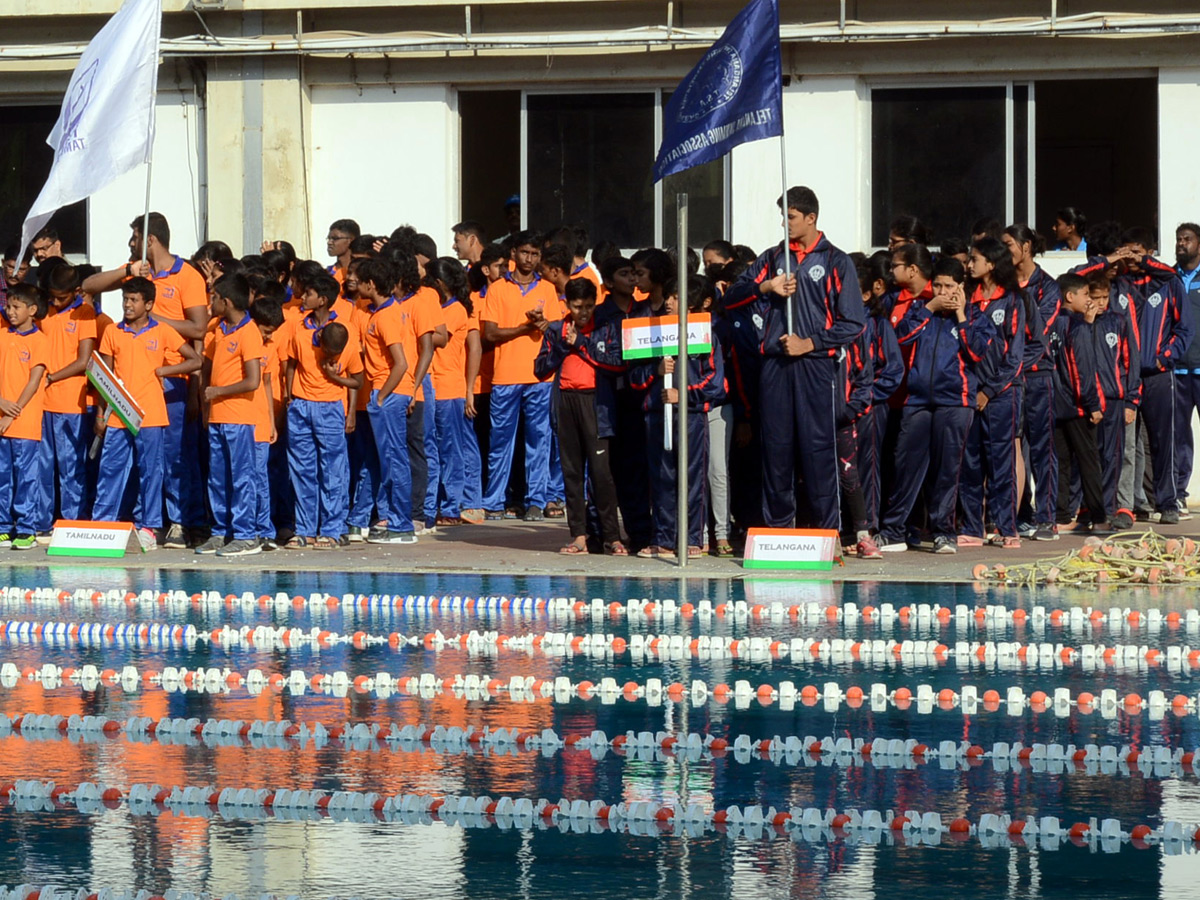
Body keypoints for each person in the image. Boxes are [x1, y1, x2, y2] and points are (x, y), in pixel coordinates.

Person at [723, 186, 865, 530]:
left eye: (791, 217)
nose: (785, 223)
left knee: (817, 449)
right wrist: (766, 287)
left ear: (811, 218)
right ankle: (778, 531)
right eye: (783, 216)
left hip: (816, 368)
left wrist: (810, 343)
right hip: (774, 365)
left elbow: (854, 323)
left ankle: (827, 531)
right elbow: (731, 299)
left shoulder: (835, 260)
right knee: (776, 451)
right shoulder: (772, 258)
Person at [82, 212, 209, 548]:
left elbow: (198, 328)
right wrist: (128, 272)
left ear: (149, 239)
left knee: (170, 458)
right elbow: (88, 287)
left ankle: (176, 521)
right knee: (118, 461)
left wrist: (155, 320)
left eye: (135, 238)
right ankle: (117, 523)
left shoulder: (188, 276)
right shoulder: (133, 278)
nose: (131, 244)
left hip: (170, 385)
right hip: (127, 388)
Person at [1075, 230, 1192, 524]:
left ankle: (1167, 502)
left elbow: (1184, 331)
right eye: (1127, 253)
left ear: (1150, 253)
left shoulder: (1166, 283)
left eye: (1137, 253)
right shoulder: (1118, 286)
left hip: (1156, 375)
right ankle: (1126, 505)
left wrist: (1163, 358)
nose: (1132, 258)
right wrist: (1113, 258)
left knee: (1162, 442)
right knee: (1124, 445)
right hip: (1123, 378)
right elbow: (1076, 273)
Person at [878, 257, 994, 554]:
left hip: (956, 400)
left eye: (950, 286)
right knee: (906, 465)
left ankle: (944, 532)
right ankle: (894, 530)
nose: (943, 292)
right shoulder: (922, 309)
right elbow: (899, 337)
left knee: (947, 469)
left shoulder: (977, 316)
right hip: (917, 399)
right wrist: (929, 309)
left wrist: (961, 317)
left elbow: (979, 355)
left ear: (962, 287)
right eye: (938, 286)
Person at [93, 277, 201, 551]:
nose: (127, 305)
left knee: (151, 471)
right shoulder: (113, 332)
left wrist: (165, 371)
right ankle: (103, 523)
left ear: (149, 304)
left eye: (133, 300)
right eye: (125, 300)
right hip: (119, 413)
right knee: (110, 469)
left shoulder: (163, 331)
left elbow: (195, 359)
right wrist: (101, 412)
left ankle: (149, 526)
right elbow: (104, 377)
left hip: (150, 414)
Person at [631, 275, 726, 558]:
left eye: (676, 298)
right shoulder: (649, 331)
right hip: (656, 416)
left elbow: (715, 384)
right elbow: (633, 378)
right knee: (661, 478)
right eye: (669, 297)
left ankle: (692, 538)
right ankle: (663, 538)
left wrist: (682, 396)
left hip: (692, 417)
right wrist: (655, 372)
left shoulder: (705, 334)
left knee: (692, 477)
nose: (670, 303)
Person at [533, 277, 626, 555]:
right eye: (577, 306)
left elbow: (617, 363)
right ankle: (579, 536)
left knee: (601, 474)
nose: (583, 312)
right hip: (566, 402)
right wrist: (564, 344)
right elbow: (540, 370)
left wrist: (581, 342)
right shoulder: (556, 330)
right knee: (571, 473)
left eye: (588, 306)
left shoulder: (604, 328)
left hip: (595, 404)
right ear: (567, 304)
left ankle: (611, 535)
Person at [479, 230, 562, 521]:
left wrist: (541, 323)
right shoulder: (498, 289)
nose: (529, 259)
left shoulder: (548, 290)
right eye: (525, 253)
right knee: (501, 440)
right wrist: (523, 329)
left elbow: (556, 329)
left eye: (535, 254)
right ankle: (494, 500)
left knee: (539, 440)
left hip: (540, 376)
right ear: (514, 254)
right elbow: (489, 333)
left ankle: (536, 500)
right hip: (504, 376)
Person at [283, 275, 363, 548]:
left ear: (323, 300)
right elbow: (291, 364)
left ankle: (332, 528)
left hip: (330, 407)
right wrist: (290, 396)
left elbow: (357, 377)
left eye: (309, 293)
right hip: (301, 405)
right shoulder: (299, 329)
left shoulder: (344, 332)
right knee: (302, 470)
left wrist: (350, 412)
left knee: (332, 470)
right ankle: (305, 529)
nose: (302, 298)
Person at [959, 237, 1028, 548]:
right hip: (969, 393)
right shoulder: (967, 298)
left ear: (991, 264)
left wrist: (990, 389)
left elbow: (1016, 356)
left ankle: (1005, 528)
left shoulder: (1012, 300)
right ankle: (973, 527)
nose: (970, 264)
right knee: (970, 462)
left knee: (1001, 463)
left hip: (1002, 394)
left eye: (975, 259)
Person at [198, 272, 264, 556]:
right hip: (217, 416)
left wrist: (218, 392)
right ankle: (220, 530)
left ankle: (246, 533)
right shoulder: (218, 329)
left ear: (226, 301)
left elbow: (253, 380)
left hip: (239, 416)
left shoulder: (250, 332)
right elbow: (207, 366)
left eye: (213, 297)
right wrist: (207, 403)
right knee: (218, 477)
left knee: (241, 477)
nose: (209, 302)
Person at [1003, 224, 1061, 541]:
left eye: (1009, 244)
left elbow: (1040, 333)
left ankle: (1047, 518)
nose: (1004, 251)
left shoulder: (1048, 287)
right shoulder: (1004, 285)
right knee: (1013, 449)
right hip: (1009, 381)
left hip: (1037, 376)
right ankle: (1018, 515)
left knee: (1042, 448)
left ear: (1025, 247)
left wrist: (1012, 363)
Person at [356, 256, 417, 544]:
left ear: (371, 284)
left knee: (394, 461)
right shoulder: (383, 312)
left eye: (361, 281)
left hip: (390, 393)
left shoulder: (387, 316)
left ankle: (402, 524)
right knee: (389, 460)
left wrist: (380, 396)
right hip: (389, 393)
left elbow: (401, 363)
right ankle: (395, 519)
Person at [596, 255, 651, 551]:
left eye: (633, 273)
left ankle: (649, 531)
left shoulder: (645, 310)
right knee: (621, 469)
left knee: (645, 466)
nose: (631, 279)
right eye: (623, 274)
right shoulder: (601, 315)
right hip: (613, 398)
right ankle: (632, 531)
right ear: (608, 282)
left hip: (645, 394)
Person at [39, 264, 98, 529]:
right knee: (43, 465)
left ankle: (72, 522)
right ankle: (41, 520)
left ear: (75, 292)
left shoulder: (85, 313)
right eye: (52, 296)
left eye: (61, 297)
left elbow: (84, 361)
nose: (55, 301)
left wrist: (51, 377)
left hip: (71, 403)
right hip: (41, 401)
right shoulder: (43, 311)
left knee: (71, 466)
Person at [1051, 274, 1108, 531]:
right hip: (1077, 405)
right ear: (1069, 296)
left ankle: (1061, 516)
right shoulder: (1077, 326)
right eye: (1085, 294)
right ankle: (1098, 518)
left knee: (1060, 462)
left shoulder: (1048, 324)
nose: (1089, 300)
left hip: (1053, 404)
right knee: (1089, 461)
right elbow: (1081, 368)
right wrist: (1092, 403)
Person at [427, 257, 480, 526]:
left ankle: (451, 506)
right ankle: (435, 504)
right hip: (431, 387)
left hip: (449, 387)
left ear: (439, 283)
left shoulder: (457, 310)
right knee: (432, 450)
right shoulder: (436, 308)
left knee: (451, 451)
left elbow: (439, 338)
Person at [1086, 271, 1139, 527]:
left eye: (1105, 297)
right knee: (1088, 456)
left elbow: (1131, 363)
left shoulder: (1119, 321)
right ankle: (1088, 508)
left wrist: (1131, 401)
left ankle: (1108, 509)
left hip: (1115, 399)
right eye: (1095, 298)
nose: (1101, 303)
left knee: (1112, 457)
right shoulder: (1080, 324)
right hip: (1087, 401)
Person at [0, 285, 49, 550]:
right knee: (2, 475)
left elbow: (34, 380)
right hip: (2, 418)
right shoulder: (1, 336)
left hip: (24, 421)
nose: (10, 311)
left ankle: (27, 527)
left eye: (16, 307)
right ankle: (3, 527)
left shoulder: (39, 340)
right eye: (8, 306)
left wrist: (13, 410)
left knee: (27, 477)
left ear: (32, 310)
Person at [250, 297, 284, 549]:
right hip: (239, 419)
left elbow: (269, 383)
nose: (267, 336)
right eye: (265, 331)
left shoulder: (269, 347)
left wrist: (272, 422)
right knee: (241, 477)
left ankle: (264, 530)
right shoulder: (242, 339)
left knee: (261, 478)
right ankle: (244, 528)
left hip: (261, 420)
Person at [1174, 221, 1200, 516]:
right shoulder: (1169, 277)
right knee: (1178, 436)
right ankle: (1178, 492)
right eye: (1179, 239)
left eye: (1188, 239)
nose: (1182, 244)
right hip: (1177, 371)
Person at [326, 219, 361, 286]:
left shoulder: (361, 272)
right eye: (329, 238)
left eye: (335, 238)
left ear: (350, 240)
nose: (329, 242)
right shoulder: (328, 273)